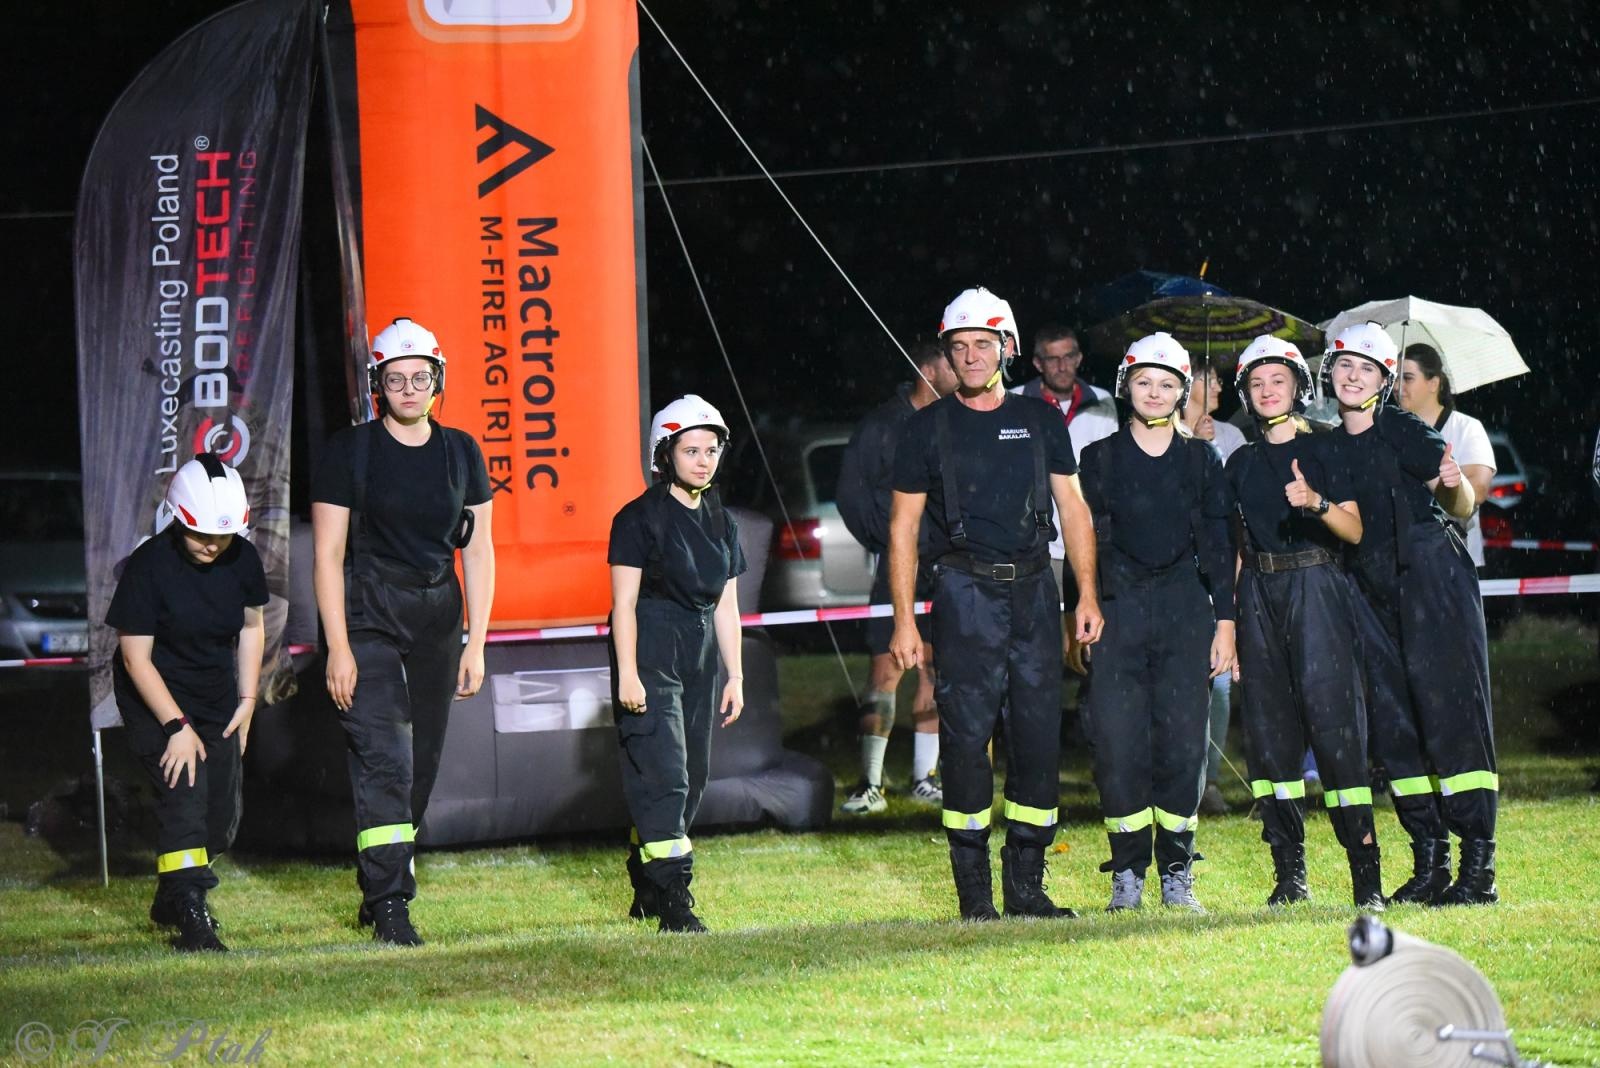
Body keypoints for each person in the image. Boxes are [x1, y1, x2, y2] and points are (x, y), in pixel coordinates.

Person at [889, 286, 1103, 921]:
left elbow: (1075, 509)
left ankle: (1028, 887)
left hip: (1036, 591)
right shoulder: (924, 429)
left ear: (1007, 348)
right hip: (963, 593)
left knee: (1038, 737)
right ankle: (975, 894)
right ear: (948, 355)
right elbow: (902, 529)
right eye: (960, 347)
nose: (972, 356)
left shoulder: (1040, 422)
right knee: (965, 737)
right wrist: (905, 618)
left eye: (983, 343)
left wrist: (1086, 594)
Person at [312, 317, 496, 946]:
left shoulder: (462, 451)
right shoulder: (349, 451)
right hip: (369, 612)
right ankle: (390, 903)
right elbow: (328, 553)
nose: (411, 389)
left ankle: (380, 884)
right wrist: (337, 645)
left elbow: (480, 552)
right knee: (385, 756)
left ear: (438, 380)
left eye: (422, 378)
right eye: (397, 379)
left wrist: (478, 638)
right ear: (378, 386)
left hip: (439, 615)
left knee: (422, 765)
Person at [1324, 322, 1499, 905]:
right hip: (1371, 591)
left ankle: (1478, 871)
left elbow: (1464, 507)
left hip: (1433, 582)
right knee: (1397, 732)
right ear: (1331, 370)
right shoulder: (1329, 443)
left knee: (1452, 720)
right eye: (1346, 365)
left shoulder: (1403, 427)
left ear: (1384, 381)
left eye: (1367, 369)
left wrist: (1454, 486)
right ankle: (1430, 863)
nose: (1353, 376)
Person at [1076, 333, 1236, 913]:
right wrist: (1084, 602)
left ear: (1181, 393)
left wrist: (1227, 622)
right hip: (1118, 611)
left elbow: (1218, 546)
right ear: (1127, 386)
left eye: (1168, 383)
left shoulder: (1201, 459)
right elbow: (1082, 541)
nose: (1155, 392)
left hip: (1183, 611)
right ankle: (1127, 874)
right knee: (1118, 746)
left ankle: (1176, 871)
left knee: (1181, 745)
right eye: (1144, 381)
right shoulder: (1098, 459)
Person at [1228, 334, 1383, 910]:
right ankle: (1289, 874)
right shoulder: (1238, 462)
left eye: (1279, 381)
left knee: (1336, 728)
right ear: (1246, 393)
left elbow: (1357, 530)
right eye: (1258, 383)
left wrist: (1316, 502)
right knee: (1270, 740)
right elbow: (1237, 546)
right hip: (1258, 593)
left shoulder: (1327, 450)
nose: (1268, 392)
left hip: (1317, 584)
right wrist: (1233, 625)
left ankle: (1365, 877)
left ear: (1299, 387)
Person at [108, 454, 266, 952]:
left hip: (215, 691)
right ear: (177, 517)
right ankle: (193, 920)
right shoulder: (148, 565)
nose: (212, 546)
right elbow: (136, 659)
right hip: (154, 694)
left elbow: (252, 628)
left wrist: (247, 700)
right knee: (185, 796)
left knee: (219, 820)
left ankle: (171, 896)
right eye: (201, 535)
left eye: (222, 537)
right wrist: (176, 726)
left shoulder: (242, 559)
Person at [608, 395, 746, 933]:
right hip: (651, 645)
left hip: (702, 649)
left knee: (695, 776)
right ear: (664, 454)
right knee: (664, 774)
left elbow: (728, 605)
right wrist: (627, 672)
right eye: (691, 450)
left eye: (711, 450)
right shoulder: (638, 518)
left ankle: (649, 879)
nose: (704, 460)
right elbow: (622, 605)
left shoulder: (723, 520)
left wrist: (734, 673)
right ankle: (674, 899)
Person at [835, 341, 958, 814]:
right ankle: (869, 783)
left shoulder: (950, 421)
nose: (964, 368)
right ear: (929, 369)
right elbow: (852, 494)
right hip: (898, 566)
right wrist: (889, 543)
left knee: (934, 670)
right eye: (953, 361)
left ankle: (924, 778)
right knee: (887, 670)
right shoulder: (882, 426)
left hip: (944, 567)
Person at [1183, 359, 1247, 816]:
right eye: (1212, 378)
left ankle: (1208, 781)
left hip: (1219, 575)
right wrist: (1192, 449)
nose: (1221, 386)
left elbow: (1234, 512)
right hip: (1175, 581)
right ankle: (1174, 780)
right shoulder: (1161, 434)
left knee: (1219, 686)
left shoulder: (1233, 437)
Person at [1011, 323, 1118, 591]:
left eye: (1069, 356)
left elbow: (1110, 472)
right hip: (1037, 550)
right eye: (1053, 358)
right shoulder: (1016, 401)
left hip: (1088, 544)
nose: (1062, 366)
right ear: (1038, 363)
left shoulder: (1102, 401)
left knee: (1086, 629)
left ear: (1079, 358)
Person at [1398, 342, 1496, 567]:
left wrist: (1439, 488)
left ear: (1433, 383)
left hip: (1455, 562)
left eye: (1408, 378)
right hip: (1405, 561)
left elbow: (1478, 490)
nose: (1397, 386)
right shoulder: (1393, 430)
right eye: (1396, 378)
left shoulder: (1466, 428)